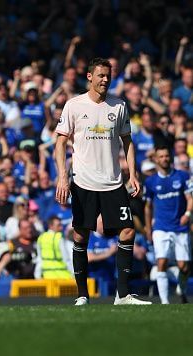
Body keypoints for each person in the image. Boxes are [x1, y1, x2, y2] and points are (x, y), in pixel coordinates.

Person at [54, 57, 151, 306]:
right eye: (100, 75)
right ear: (89, 77)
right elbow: (60, 143)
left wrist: (133, 173)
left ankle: (122, 295)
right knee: (80, 236)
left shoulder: (118, 106)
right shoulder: (74, 105)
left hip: (113, 181)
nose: (105, 79)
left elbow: (127, 141)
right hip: (84, 181)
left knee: (128, 230)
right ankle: (82, 295)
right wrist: (63, 177)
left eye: (108, 75)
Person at [144, 146, 192, 304]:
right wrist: (148, 229)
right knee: (161, 262)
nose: (164, 159)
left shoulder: (183, 176)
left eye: (166, 156)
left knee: (184, 266)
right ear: (156, 159)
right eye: (161, 156)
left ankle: (181, 289)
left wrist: (187, 214)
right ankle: (165, 301)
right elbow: (148, 207)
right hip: (161, 227)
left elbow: (190, 199)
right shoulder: (151, 181)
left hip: (180, 227)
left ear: (170, 158)